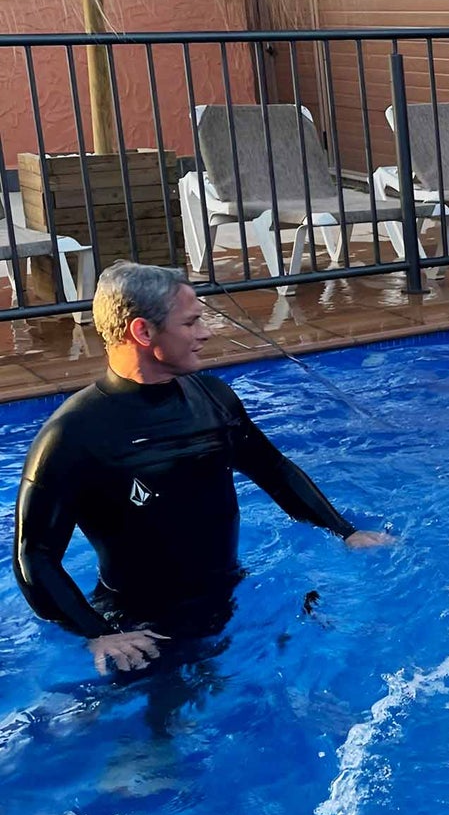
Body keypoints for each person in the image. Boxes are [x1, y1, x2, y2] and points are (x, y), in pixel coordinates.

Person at [12, 263, 392, 675]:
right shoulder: (72, 436)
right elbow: (35, 555)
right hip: (142, 627)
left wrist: (345, 531)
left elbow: (274, 470)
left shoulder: (212, 400)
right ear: (143, 332)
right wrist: (97, 633)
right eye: (191, 322)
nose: (206, 332)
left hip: (233, 594)